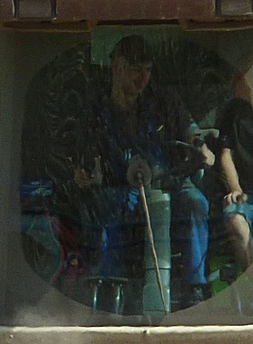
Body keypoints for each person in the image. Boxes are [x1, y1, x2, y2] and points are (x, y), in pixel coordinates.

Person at [73, 33, 213, 309]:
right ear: (116, 67)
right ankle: (108, 293)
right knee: (105, 214)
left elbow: (189, 127)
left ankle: (195, 287)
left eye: (147, 70)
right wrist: (85, 172)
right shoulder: (95, 108)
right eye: (135, 69)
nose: (142, 77)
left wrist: (200, 145)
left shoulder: (163, 101)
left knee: (196, 202)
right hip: (117, 185)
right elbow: (81, 151)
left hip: (167, 180)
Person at [213, 68, 253, 268]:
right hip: (247, 194)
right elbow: (225, 155)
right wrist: (236, 189)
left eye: (237, 79)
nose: (232, 85)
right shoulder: (233, 113)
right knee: (235, 218)